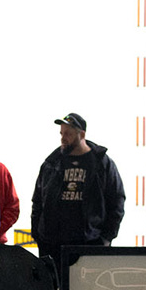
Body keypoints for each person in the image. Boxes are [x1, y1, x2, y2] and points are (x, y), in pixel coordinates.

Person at [30, 112, 126, 273]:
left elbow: (117, 201)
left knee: (87, 287)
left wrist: (106, 238)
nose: (63, 138)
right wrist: (38, 235)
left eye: (68, 134)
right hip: (53, 244)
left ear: (82, 134)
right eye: (61, 133)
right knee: (54, 287)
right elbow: (38, 201)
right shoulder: (51, 163)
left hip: (89, 243)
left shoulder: (101, 164)